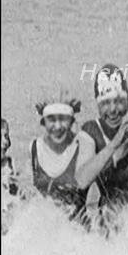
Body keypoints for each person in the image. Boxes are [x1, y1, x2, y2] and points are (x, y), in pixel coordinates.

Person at [75, 64, 128, 225]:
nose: (112, 110)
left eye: (118, 101)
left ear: (127, 102)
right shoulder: (91, 130)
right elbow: (82, 179)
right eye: (105, 103)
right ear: (98, 105)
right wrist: (115, 144)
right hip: (100, 218)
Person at [30, 92, 87, 221]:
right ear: (43, 122)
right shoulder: (34, 148)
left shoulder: (82, 146)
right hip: (45, 230)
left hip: (78, 233)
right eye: (51, 119)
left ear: (72, 121)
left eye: (63, 119)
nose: (58, 126)